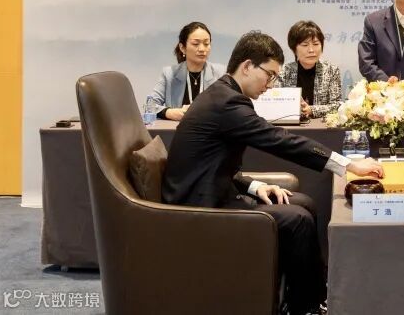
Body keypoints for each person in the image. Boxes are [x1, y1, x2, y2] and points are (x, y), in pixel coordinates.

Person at [162, 31, 384, 315]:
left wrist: (255, 186)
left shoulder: (224, 94)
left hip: (212, 190)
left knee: (303, 202)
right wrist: (349, 165)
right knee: (298, 219)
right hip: (199, 207)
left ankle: (311, 293)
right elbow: (281, 141)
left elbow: (211, 165)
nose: (270, 85)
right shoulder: (228, 102)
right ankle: (306, 307)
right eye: (269, 75)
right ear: (247, 66)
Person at [150, 21, 225, 121]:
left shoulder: (221, 74)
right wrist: (169, 112)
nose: (202, 49)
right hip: (177, 129)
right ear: (182, 48)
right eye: (196, 44)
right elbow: (150, 106)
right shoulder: (169, 74)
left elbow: (234, 107)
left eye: (206, 43)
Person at [278, 21, 342, 119]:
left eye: (316, 44)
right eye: (305, 45)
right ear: (294, 49)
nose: (311, 50)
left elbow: (337, 105)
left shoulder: (331, 71)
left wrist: (312, 110)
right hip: (291, 125)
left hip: (322, 126)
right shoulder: (283, 72)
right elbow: (276, 103)